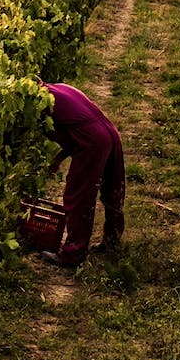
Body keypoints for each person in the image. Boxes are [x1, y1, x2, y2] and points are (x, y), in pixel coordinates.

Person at [40, 81, 124, 267]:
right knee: (112, 187)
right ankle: (112, 241)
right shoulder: (59, 88)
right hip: (109, 132)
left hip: (93, 140)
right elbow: (76, 129)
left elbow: (77, 133)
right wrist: (58, 159)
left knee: (78, 195)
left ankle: (73, 254)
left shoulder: (41, 102)